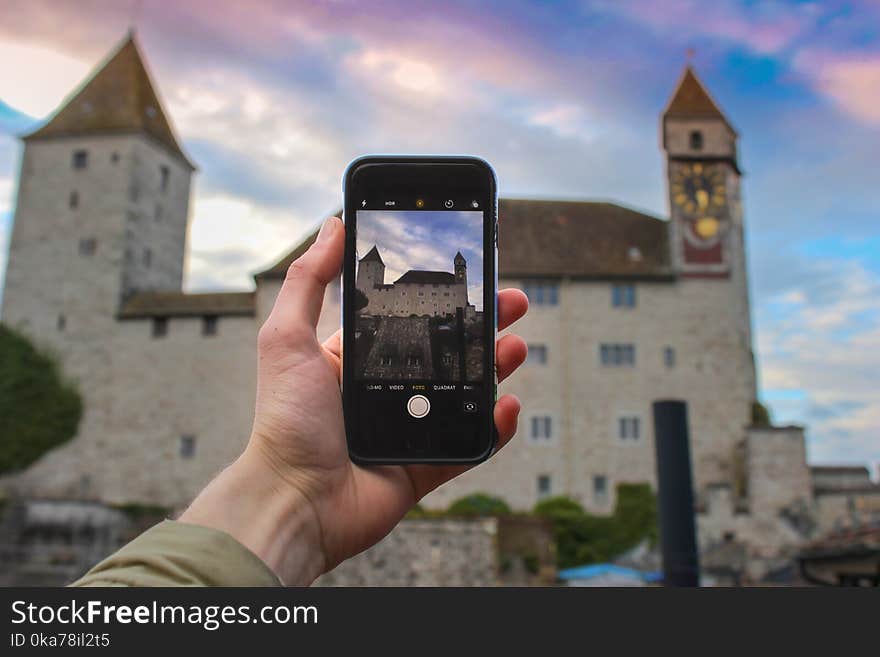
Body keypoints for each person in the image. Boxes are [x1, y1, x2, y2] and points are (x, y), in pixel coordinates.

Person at [73, 216, 529, 586]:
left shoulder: (431, 294)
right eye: (368, 273)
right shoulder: (392, 297)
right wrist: (294, 488)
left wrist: (289, 491)